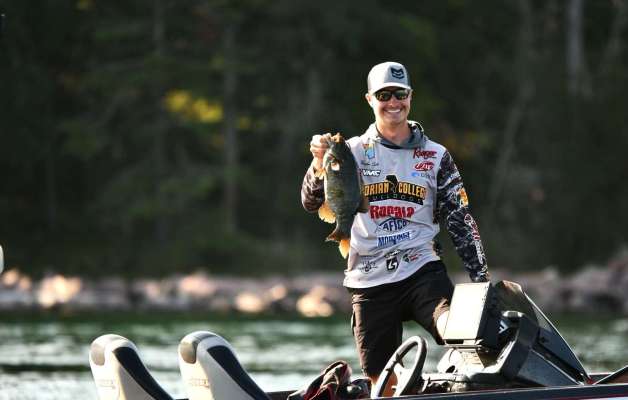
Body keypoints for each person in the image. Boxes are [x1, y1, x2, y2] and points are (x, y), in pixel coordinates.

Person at [300, 61, 489, 393]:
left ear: (410, 97)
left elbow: (460, 221)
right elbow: (310, 202)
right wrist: (318, 162)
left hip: (422, 269)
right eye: (384, 95)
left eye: (399, 94)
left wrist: (482, 281)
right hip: (368, 278)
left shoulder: (436, 156)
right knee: (380, 381)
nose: (393, 103)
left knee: (460, 330)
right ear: (370, 99)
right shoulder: (348, 152)